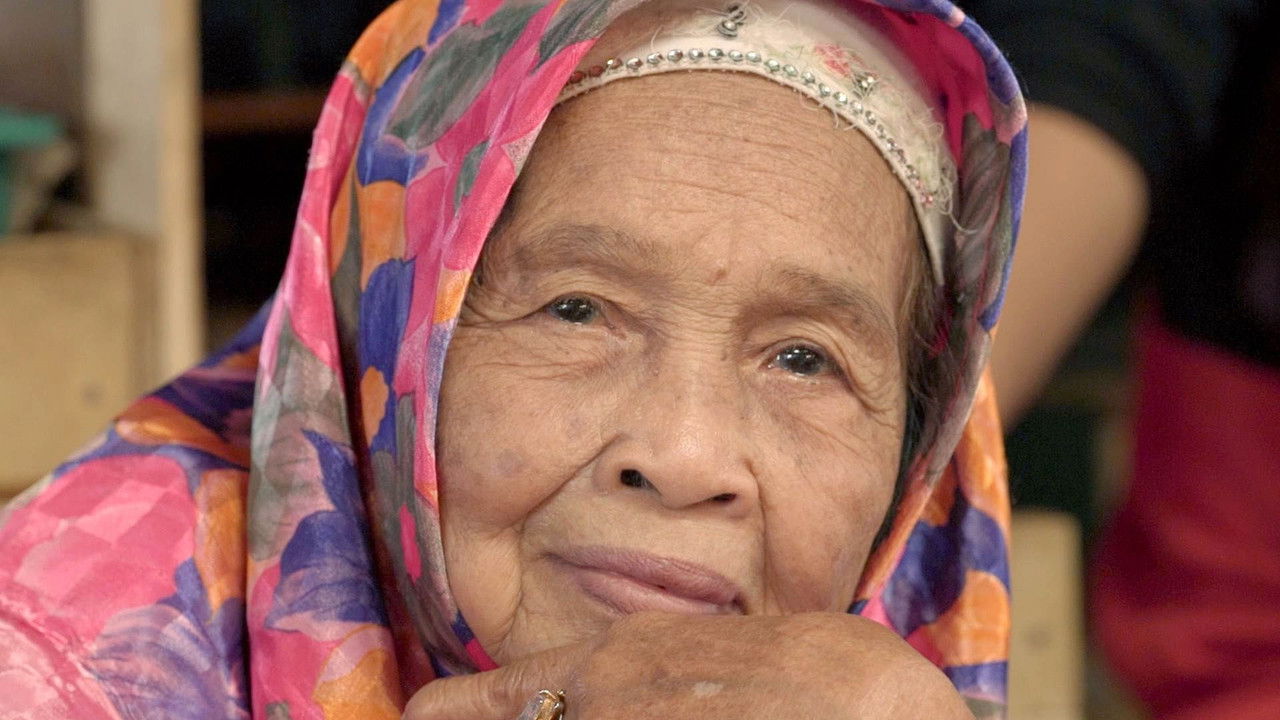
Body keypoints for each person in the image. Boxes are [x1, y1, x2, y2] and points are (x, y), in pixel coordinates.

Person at [0, 0, 1027, 717]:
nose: (684, 456)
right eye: (575, 311)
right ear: (384, 333)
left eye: (803, 360)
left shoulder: (882, 693)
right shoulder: (60, 674)